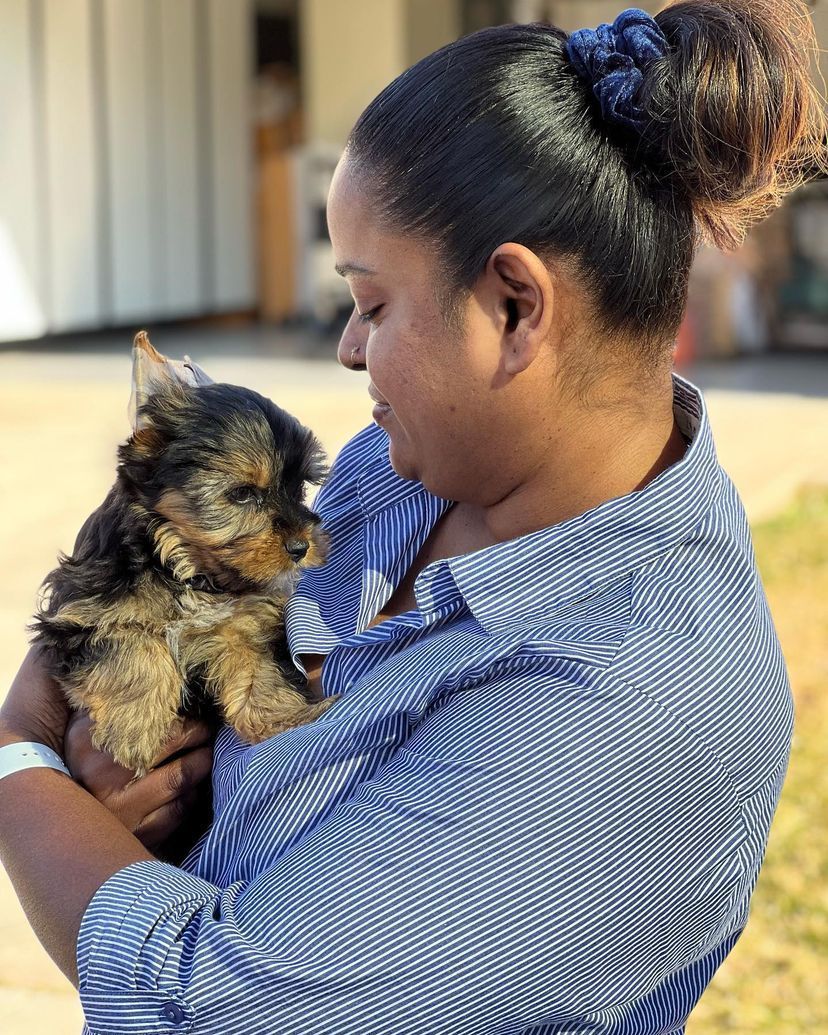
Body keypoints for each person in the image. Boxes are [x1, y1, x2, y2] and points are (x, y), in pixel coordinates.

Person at [1, 2, 826, 1032]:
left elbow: (205, 1009)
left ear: (516, 309)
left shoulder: (636, 700)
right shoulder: (410, 475)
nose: (348, 349)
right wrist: (140, 788)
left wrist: (21, 757)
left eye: (374, 304)